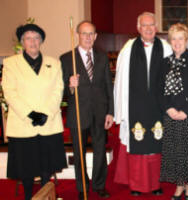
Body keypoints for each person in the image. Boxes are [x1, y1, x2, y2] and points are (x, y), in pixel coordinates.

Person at [2, 23, 67, 200]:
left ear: (41, 41)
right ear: (22, 42)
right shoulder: (10, 63)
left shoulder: (54, 63)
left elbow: (58, 90)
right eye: (28, 38)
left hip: (48, 122)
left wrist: (46, 113)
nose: (33, 41)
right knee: (26, 167)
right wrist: (31, 114)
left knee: (47, 165)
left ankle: (47, 196)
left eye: (36, 38)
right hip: (24, 124)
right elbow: (9, 92)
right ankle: (30, 197)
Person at [113, 12, 172, 196]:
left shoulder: (166, 48)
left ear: (156, 28)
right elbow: (120, 80)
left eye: (151, 25)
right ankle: (137, 185)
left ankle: (156, 184)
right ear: (138, 28)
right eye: (144, 25)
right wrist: (120, 108)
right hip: (135, 106)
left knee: (157, 142)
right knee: (137, 140)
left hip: (159, 106)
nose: (148, 29)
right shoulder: (128, 48)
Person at [60, 21, 114, 199]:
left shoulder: (102, 57)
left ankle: (99, 185)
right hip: (78, 113)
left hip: (100, 112)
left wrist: (110, 111)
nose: (88, 37)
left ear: (96, 36)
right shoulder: (67, 58)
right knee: (79, 152)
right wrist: (70, 86)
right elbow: (61, 91)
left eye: (91, 34)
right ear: (77, 35)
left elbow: (108, 85)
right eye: (84, 33)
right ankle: (82, 186)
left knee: (100, 151)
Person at [157, 23, 188, 200]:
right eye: (173, 38)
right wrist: (169, 109)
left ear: (186, 39)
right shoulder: (164, 63)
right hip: (170, 113)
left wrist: (185, 111)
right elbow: (158, 90)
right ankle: (179, 185)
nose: (177, 42)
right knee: (174, 150)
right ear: (170, 41)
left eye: (180, 38)